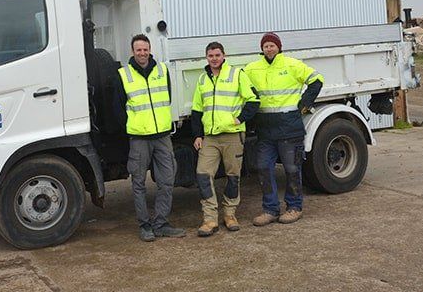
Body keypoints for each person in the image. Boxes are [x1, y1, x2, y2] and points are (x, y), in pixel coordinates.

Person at [243, 32, 324, 226]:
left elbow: (317, 80)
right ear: (261, 49)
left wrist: (304, 104)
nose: (269, 49)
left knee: (292, 169)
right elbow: (244, 88)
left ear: (279, 47)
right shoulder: (252, 68)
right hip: (266, 130)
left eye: (272, 45)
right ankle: (270, 210)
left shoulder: (292, 64)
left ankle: (294, 207)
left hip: (289, 128)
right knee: (263, 168)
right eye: (266, 46)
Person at [116, 34, 186, 241]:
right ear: (132, 51)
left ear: (150, 49)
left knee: (167, 181)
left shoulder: (162, 70)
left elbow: (168, 97)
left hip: (163, 136)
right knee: (139, 183)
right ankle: (145, 226)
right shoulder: (124, 74)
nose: (142, 53)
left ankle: (162, 223)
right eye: (138, 50)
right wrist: (133, 127)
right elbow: (117, 108)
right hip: (139, 138)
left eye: (145, 49)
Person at [190, 42, 259, 236]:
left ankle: (230, 215)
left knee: (232, 176)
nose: (214, 58)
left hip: (232, 135)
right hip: (210, 137)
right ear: (206, 57)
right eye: (210, 55)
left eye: (217, 55)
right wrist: (197, 135)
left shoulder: (236, 74)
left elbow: (253, 100)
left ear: (223, 55)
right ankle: (210, 219)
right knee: (203, 175)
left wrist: (238, 119)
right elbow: (197, 110)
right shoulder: (203, 79)